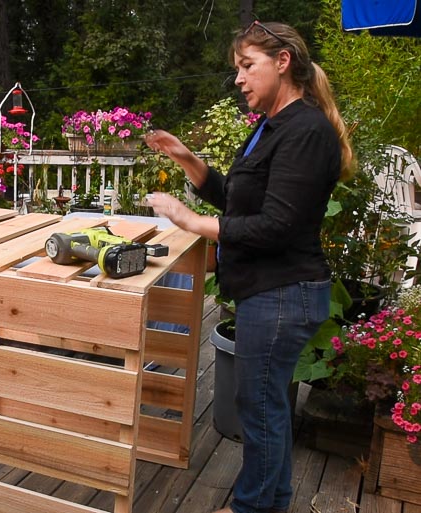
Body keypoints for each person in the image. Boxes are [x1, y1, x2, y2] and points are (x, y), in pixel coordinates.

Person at [144, 21, 354, 513]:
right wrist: (186, 158)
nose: (239, 79)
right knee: (267, 409)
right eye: (237, 69)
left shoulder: (305, 130)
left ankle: (252, 508)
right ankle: (271, 502)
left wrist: (191, 221)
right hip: (272, 292)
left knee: (259, 412)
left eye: (247, 66)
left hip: (283, 292)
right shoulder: (272, 126)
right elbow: (236, 198)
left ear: (283, 63)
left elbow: (276, 225)